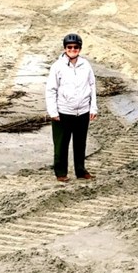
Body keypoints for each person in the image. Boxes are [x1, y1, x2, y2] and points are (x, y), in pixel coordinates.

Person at [45, 33, 98, 183]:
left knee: (80, 143)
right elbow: (51, 89)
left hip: (82, 111)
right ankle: (61, 173)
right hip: (63, 112)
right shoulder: (57, 67)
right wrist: (53, 111)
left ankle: (81, 171)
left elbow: (92, 86)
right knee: (61, 144)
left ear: (79, 49)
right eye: (69, 47)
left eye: (75, 47)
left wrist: (93, 108)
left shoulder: (86, 65)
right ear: (65, 48)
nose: (72, 49)